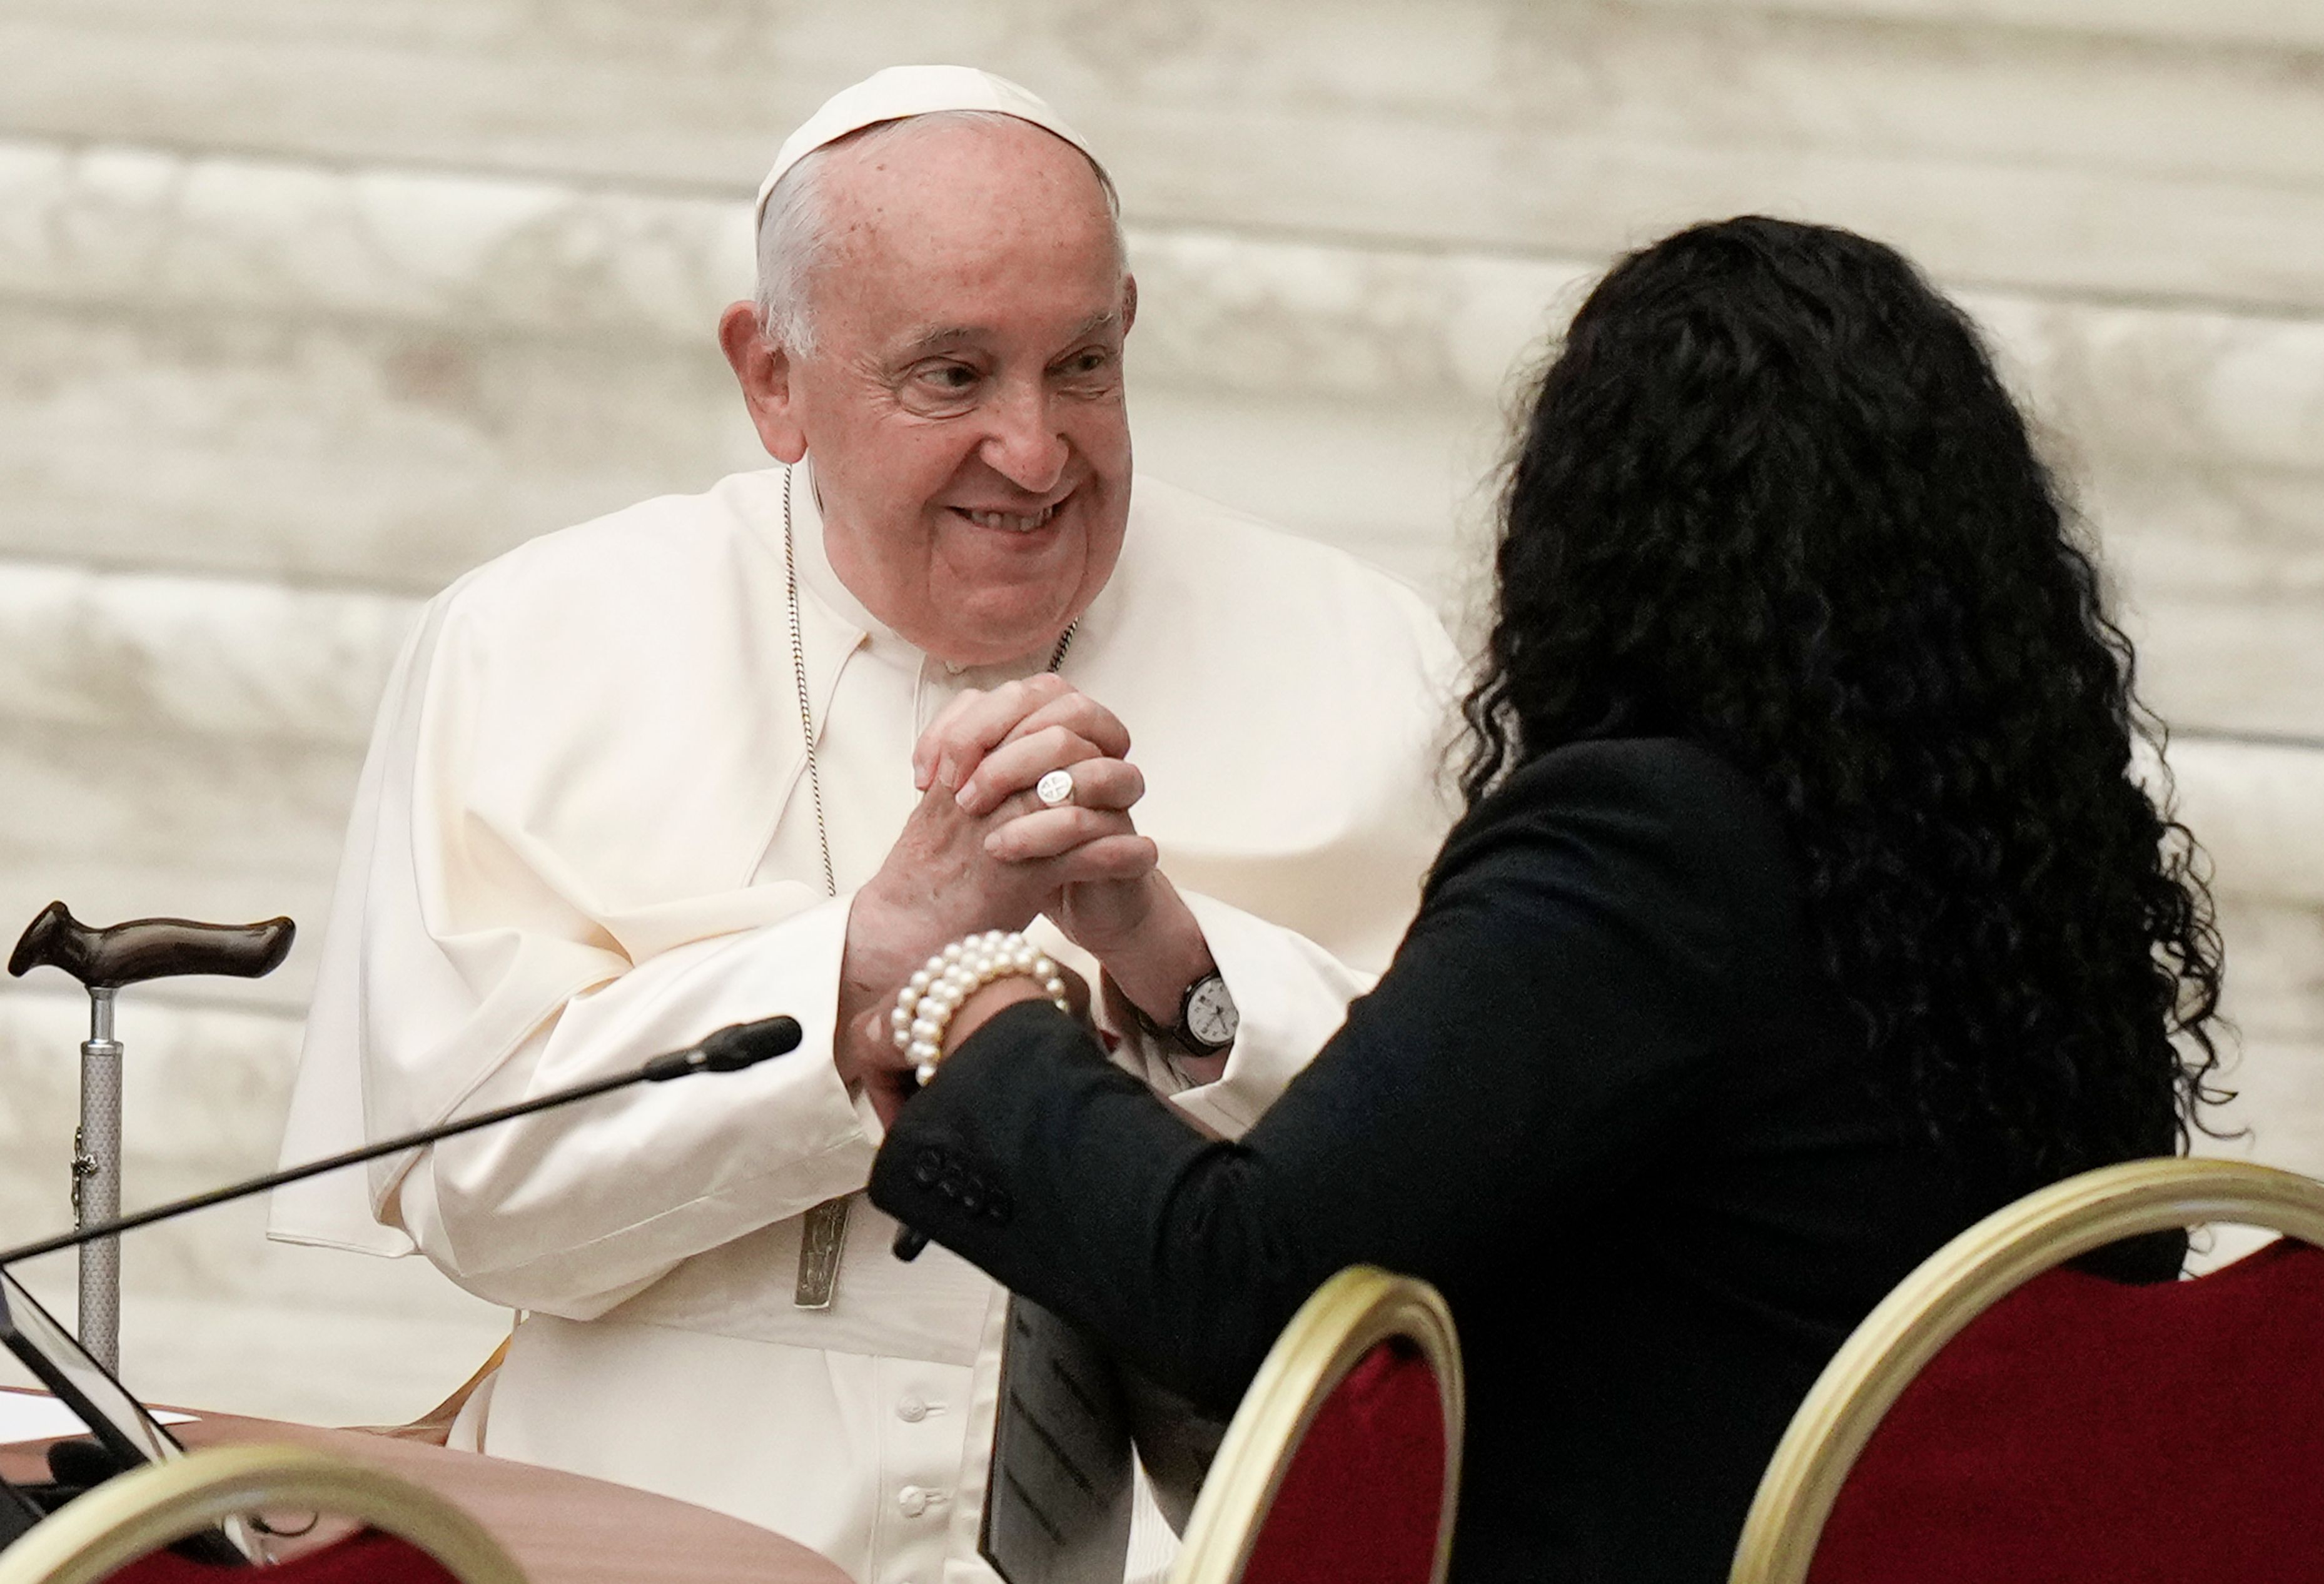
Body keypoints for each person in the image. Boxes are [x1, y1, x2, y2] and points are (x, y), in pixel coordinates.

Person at [865, 216, 2226, 1584]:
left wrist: (969, 1001)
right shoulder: (2024, 889)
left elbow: (1242, 1280)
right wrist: (1170, 962)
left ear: (1602, 530)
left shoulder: (1645, 849)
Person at [267, 66, 1459, 1584]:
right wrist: (862, 966)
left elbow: (1452, 1191)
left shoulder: (1371, 658)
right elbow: (475, 1195)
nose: (1033, 454)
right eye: (952, 377)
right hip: (650, 1554)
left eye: (1079, 365)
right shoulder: (532, 643)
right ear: (772, 377)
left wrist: (1186, 980)